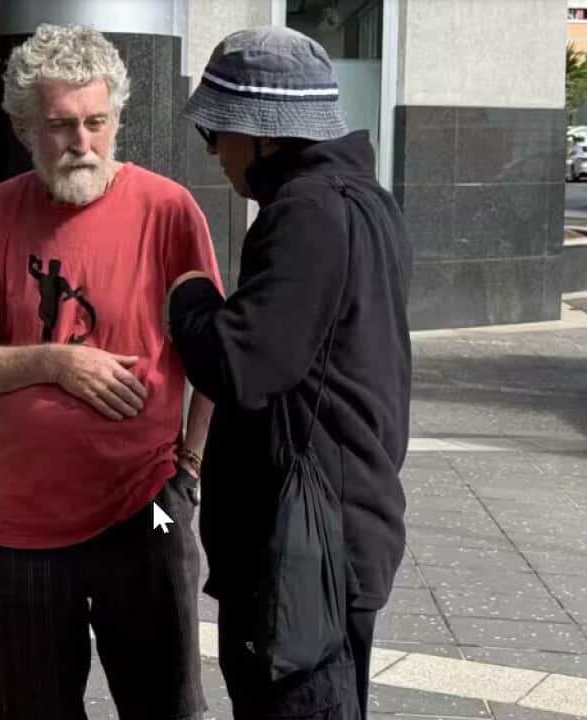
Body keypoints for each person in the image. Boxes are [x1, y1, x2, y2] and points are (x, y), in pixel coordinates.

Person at [0, 23, 221, 720]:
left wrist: (189, 468)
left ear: (117, 117)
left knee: (166, 710)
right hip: (19, 526)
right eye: (61, 125)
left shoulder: (169, 211)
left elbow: (215, 356)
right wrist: (56, 361)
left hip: (144, 508)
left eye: (96, 121)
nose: (82, 143)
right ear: (24, 127)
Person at [167, 27, 413, 720]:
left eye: (218, 133)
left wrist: (189, 297)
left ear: (262, 134)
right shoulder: (366, 200)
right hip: (342, 531)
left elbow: (242, 365)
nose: (215, 152)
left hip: (304, 553)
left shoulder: (303, 214)